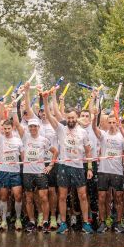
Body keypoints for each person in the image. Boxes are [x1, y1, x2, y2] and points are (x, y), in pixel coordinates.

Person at [42, 90, 94, 234]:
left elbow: (88, 151)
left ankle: (85, 223)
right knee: (62, 196)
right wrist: (45, 100)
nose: (70, 120)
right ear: (66, 118)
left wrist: (90, 168)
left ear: (77, 118)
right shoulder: (61, 129)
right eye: (69, 117)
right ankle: (63, 223)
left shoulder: (83, 132)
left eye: (73, 117)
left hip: (78, 167)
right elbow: (49, 115)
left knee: (82, 196)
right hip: (64, 166)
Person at [90, 90, 124, 234]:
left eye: (114, 122)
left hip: (117, 171)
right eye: (109, 122)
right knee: (102, 198)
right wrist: (94, 117)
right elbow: (94, 128)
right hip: (103, 171)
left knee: (118, 198)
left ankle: (118, 223)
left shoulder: (121, 137)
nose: (112, 125)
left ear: (117, 123)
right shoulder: (103, 135)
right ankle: (103, 222)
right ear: (107, 123)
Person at [15, 117, 56, 233]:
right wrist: (13, 108)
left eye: (34, 126)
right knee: (29, 199)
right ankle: (32, 221)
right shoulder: (25, 137)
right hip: (27, 172)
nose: (32, 128)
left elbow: (55, 152)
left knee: (44, 197)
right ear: (28, 128)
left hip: (40, 172)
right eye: (30, 126)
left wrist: (50, 165)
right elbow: (17, 124)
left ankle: (45, 221)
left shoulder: (44, 140)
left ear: (38, 127)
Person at [0, 104, 24, 231]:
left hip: (15, 172)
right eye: (5, 129)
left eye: (9, 128)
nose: (7, 130)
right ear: (2, 129)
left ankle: (18, 219)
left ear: (12, 128)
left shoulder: (18, 140)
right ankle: (3, 220)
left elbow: (23, 158)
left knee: (18, 196)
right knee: (3, 197)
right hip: (3, 172)